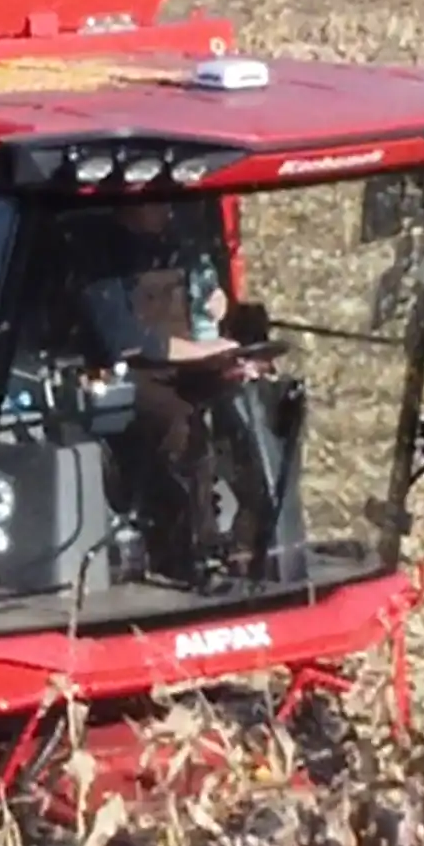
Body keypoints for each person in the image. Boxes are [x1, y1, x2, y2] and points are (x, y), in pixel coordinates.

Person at [80, 202, 278, 581]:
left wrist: (219, 305)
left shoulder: (180, 245)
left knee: (253, 404)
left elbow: (207, 303)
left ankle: (253, 541)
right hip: (128, 373)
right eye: (158, 204)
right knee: (179, 423)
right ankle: (185, 550)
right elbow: (127, 342)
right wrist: (206, 352)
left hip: (192, 362)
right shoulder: (100, 258)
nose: (168, 211)